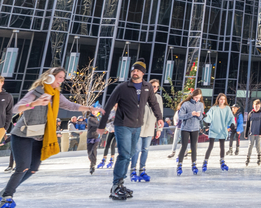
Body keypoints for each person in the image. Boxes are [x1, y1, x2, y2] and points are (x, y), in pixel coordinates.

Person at [1, 67, 91, 208]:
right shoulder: (36, 92)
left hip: (40, 136)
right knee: (23, 167)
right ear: (50, 77)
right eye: (59, 77)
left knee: (33, 168)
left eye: (63, 77)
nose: (62, 80)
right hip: (23, 134)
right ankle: (7, 196)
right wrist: (35, 103)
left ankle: (5, 191)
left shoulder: (56, 95)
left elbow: (71, 106)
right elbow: (15, 109)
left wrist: (90, 109)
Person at [98, 60, 164, 200]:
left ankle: (120, 184)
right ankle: (116, 186)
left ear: (143, 73)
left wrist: (159, 117)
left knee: (131, 153)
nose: (135, 72)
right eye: (133, 70)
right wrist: (101, 125)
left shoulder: (147, 87)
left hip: (137, 126)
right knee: (124, 154)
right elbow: (109, 105)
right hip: (122, 125)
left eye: (138, 70)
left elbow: (154, 103)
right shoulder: (122, 87)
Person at [130, 78, 163, 183]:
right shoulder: (141, 96)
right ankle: (133, 169)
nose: (156, 88)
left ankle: (142, 169)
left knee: (145, 149)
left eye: (157, 87)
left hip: (149, 128)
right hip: (139, 127)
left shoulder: (158, 98)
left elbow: (160, 114)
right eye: (154, 86)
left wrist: (159, 129)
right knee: (137, 149)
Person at [174, 89, 205, 175]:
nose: (197, 99)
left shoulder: (200, 105)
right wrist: (191, 114)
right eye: (196, 97)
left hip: (195, 128)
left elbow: (201, 117)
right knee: (184, 146)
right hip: (186, 128)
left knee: (194, 147)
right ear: (192, 96)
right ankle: (179, 164)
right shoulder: (186, 104)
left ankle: (194, 164)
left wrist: (199, 116)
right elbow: (181, 116)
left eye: (199, 98)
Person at [203, 93, 236, 171]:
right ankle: (205, 161)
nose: (222, 100)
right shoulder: (214, 108)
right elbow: (209, 116)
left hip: (222, 130)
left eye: (224, 99)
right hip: (214, 129)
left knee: (222, 146)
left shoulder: (227, 108)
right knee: (210, 146)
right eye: (221, 99)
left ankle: (222, 161)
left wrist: (232, 124)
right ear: (218, 99)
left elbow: (231, 117)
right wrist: (205, 117)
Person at [244, 99, 261, 166]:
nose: (257, 107)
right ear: (253, 106)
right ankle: (248, 158)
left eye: (258, 106)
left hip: (258, 133)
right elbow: (247, 124)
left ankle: (259, 158)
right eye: (256, 106)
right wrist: (246, 133)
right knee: (250, 145)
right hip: (252, 132)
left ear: (260, 106)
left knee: (257, 145)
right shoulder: (251, 114)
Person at [86, 107, 103, 173]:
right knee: (90, 153)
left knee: (94, 150)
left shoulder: (99, 117)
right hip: (90, 137)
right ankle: (92, 163)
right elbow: (96, 124)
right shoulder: (90, 118)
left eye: (95, 110)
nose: (93, 111)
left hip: (97, 137)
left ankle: (92, 165)